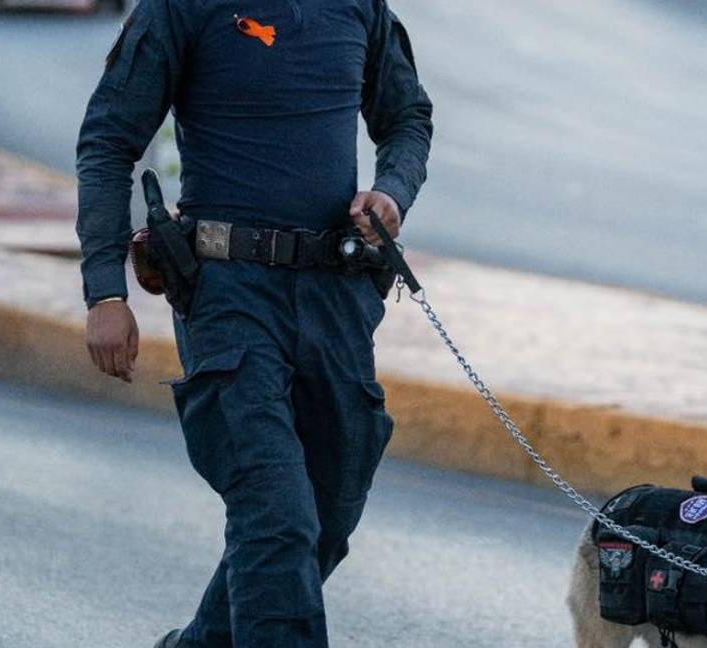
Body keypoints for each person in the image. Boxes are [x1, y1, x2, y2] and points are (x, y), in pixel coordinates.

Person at [74, 0, 432, 645]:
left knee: (327, 515)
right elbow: (107, 144)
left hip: (337, 296)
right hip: (228, 295)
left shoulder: (359, 8)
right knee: (276, 516)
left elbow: (407, 117)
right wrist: (105, 294)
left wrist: (392, 192)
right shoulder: (180, 9)